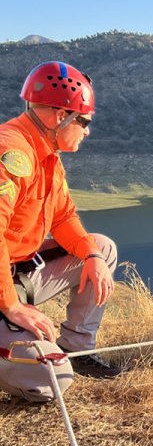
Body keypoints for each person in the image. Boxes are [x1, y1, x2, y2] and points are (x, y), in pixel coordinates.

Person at [0, 61, 121, 395]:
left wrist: (92, 257)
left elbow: (64, 217)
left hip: (19, 273)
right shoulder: (12, 151)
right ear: (58, 116)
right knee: (51, 381)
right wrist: (11, 306)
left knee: (101, 248)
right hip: (4, 286)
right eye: (83, 121)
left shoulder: (47, 155)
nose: (87, 130)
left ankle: (76, 349)